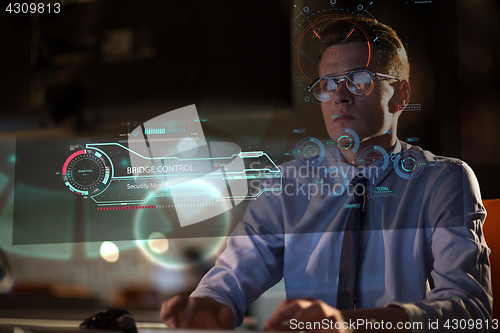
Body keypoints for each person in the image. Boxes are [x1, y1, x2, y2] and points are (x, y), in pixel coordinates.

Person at [160, 16, 492, 332]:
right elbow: (233, 274)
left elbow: (470, 310)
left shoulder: (444, 180)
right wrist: (211, 304)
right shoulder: (285, 184)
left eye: (360, 79)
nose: (340, 96)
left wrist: (353, 325)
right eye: (327, 84)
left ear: (401, 96)